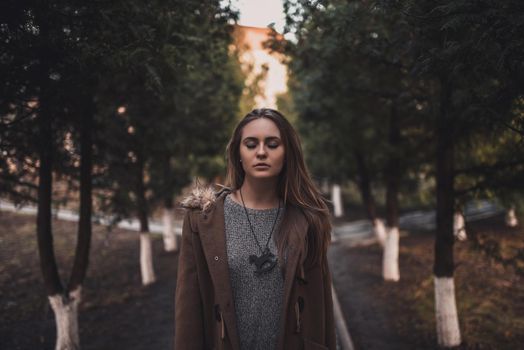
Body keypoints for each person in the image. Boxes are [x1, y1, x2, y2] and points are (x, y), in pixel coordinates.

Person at [175, 108, 336, 350]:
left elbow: (321, 307)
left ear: (287, 153)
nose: (261, 152)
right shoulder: (204, 221)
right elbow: (188, 309)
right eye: (251, 144)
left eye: (272, 144)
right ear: (238, 153)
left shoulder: (308, 220)